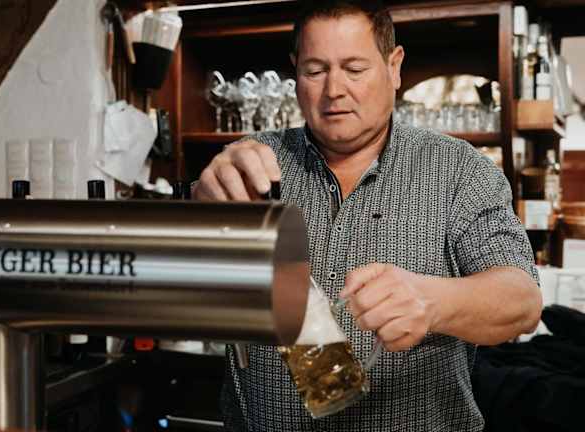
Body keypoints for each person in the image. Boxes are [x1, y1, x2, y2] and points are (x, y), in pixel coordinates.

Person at [192, 1, 542, 431]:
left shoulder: (460, 170)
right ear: (295, 71)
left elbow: (522, 301)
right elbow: (190, 288)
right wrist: (203, 209)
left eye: (354, 69)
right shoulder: (251, 164)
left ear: (394, 67)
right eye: (315, 70)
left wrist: (434, 302)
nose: (334, 90)